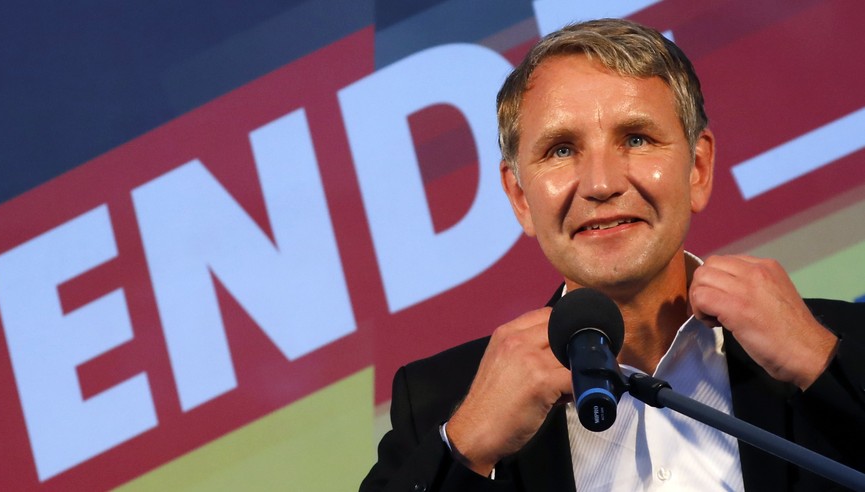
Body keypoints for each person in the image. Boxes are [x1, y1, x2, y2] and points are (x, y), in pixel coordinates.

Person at [360, 18, 865, 491]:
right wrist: (465, 448)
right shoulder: (439, 401)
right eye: (560, 149)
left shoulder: (836, 343)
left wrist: (823, 366)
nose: (601, 184)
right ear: (519, 197)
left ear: (698, 169)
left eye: (637, 139)